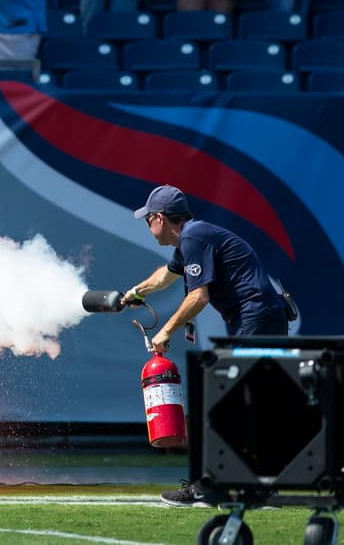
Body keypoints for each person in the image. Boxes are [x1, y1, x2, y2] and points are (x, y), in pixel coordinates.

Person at [120, 183, 289, 508]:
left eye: (147, 220)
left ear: (159, 218)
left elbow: (198, 296)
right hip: (262, 318)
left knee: (227, 399)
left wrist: (166, 331)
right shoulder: (192, 239)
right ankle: (260, 486)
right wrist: (136, 291)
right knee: (248, 402)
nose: (148, 226)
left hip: (255, 319)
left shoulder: (193, 238)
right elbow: (166, 277)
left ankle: (208, 486)